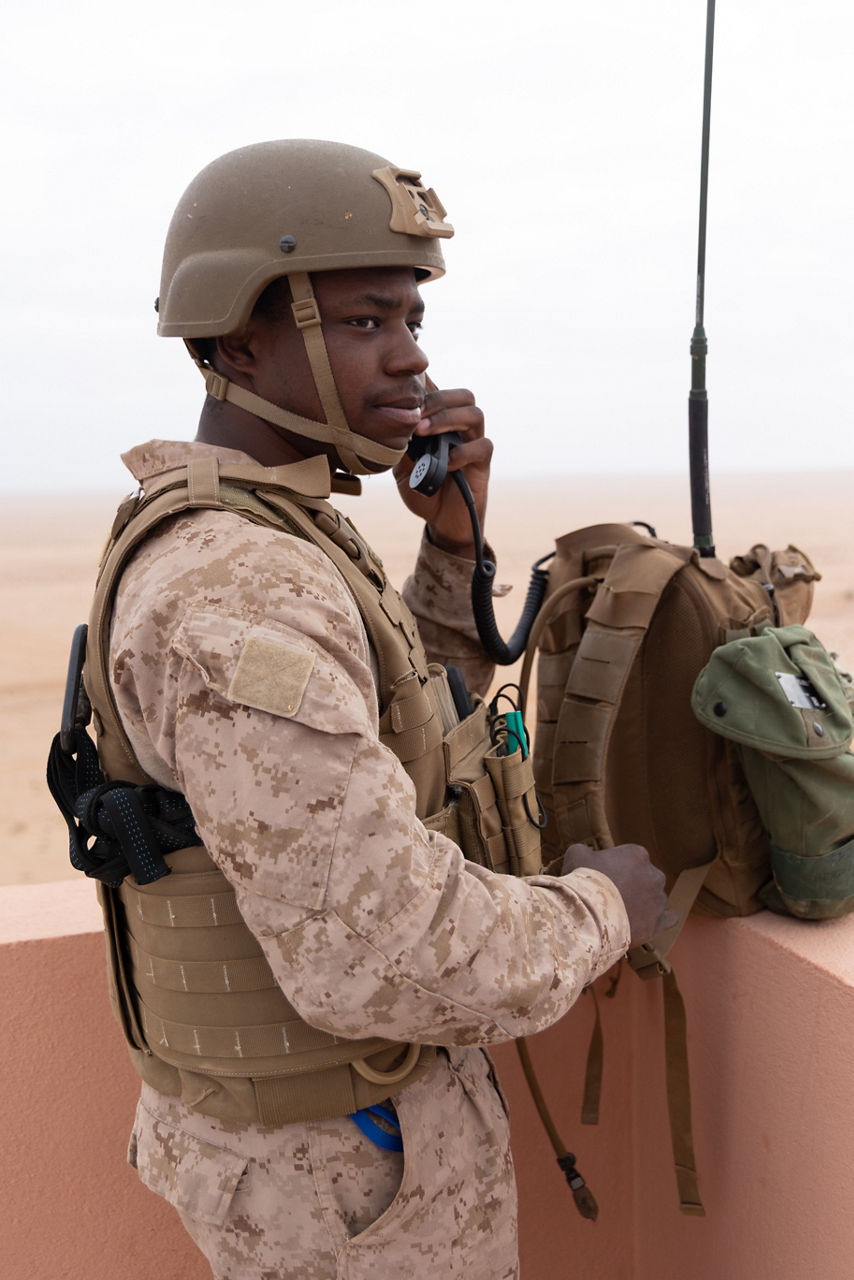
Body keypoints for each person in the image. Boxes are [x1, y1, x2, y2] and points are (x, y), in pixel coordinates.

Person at [84, 139, 671, 1279]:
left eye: (410, 320)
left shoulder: (268, 529)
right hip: (339, 1182)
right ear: (238, 334)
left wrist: (451, 547)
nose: (410, 360)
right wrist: (604, 906)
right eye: (363, 323)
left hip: (339, 1156)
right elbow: (380, 951)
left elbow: (397, 733)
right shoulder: (236, 582)